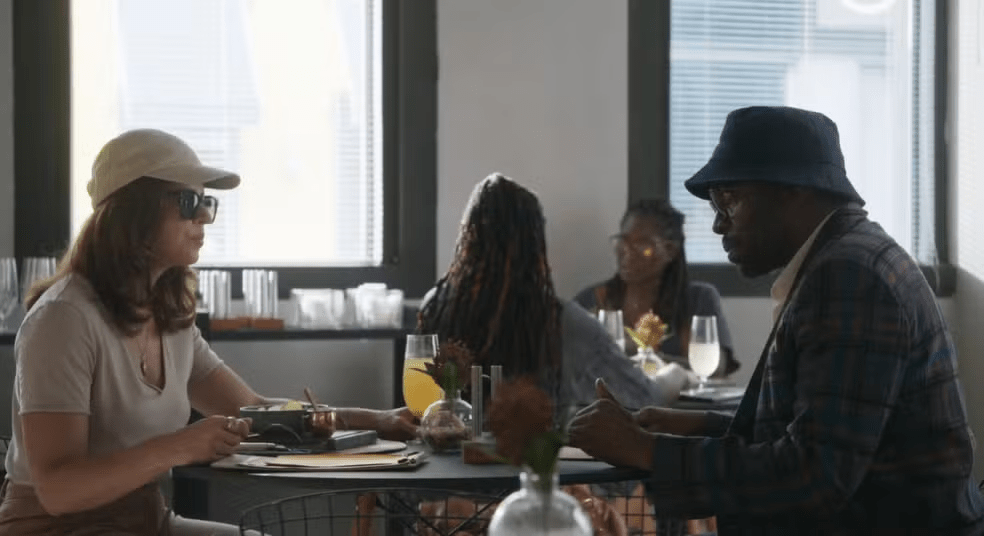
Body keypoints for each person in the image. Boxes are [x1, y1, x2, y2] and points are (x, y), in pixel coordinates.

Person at [568, 106, 984, 534]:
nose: (717, 224)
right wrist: (699, 425)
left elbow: (814, 475)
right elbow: (821, 433)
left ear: (793, 191)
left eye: (729, 200)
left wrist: (647, 450)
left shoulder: (847, 276)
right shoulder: (850, 258)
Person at [0, 129, 418, 535]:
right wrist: (180, 445)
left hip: (144, 522)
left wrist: (373, 419)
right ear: (132, 211)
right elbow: (58, 490)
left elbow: (254, 411)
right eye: (187, 202)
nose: (203, 216)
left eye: (206, 203)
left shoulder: (170, 317)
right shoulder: (63, 320)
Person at [417, 173, 692, 415]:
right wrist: (676, 374)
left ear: (468, 236)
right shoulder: (563, 321)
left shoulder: (435, 305)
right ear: (534, 242)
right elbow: (646, 397)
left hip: (448, 449)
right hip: (539, 454)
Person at [573, 198, 739, 376]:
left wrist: (640, 353)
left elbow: (716, 368)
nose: (627, 251)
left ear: (670, 251)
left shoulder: (698, 299)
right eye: (623, 240)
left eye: (642, 244)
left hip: (681, 395)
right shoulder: (593, 300)